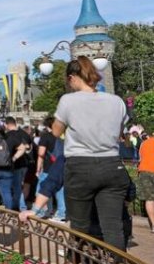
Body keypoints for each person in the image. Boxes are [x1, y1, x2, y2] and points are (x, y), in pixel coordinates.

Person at [52, 56, 130, 252]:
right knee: (113, 227)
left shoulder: (68, 100)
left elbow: (55, 131)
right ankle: (115, 262)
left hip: (80, 166)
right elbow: (120, 134)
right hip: (113, 165)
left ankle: (78, 260)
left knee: (79, 227)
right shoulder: (116, 101)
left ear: (72, 78)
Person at [35, 116, 65, 222]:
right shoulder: (63, 136)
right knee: (60, 191)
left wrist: (38, 167)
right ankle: (62, 213)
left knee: (42, 189)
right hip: (62, 166)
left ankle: (43, 211)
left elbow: (41, 153)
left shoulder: (46, 136)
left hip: (49, 167)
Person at [4, 116, 32, 211]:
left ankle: (21, 207)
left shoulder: (8, 135)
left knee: (16, 187)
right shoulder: (25, 134)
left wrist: (13, 158)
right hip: (25, 164)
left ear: (6, 125)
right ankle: (18, 205)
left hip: (15, 165)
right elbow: (29, 147)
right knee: (22, 186)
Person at [138, 133, 154, 233]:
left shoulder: (144, 143)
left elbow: (140, 158)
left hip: (144, 171)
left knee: (149, 199)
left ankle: (153, 225)